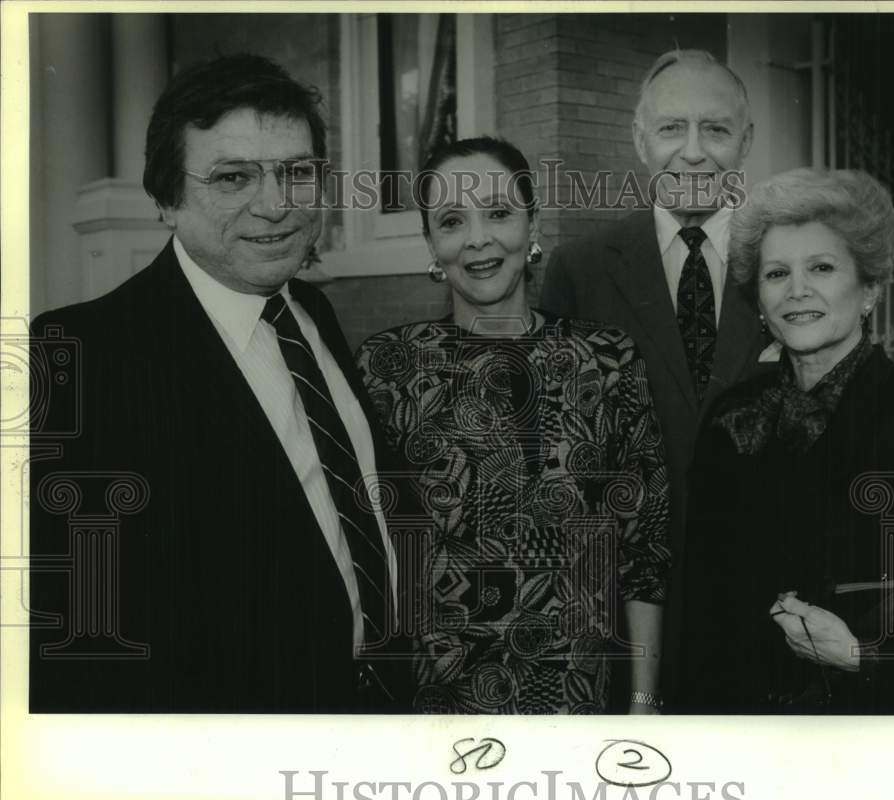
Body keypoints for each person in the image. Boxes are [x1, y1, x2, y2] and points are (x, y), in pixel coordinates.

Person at [30, 54, 404, 713]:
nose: (276, 205)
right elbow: (81, 640)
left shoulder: (310, 311)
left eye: (297, 173)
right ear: (169, 198)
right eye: (234, 177)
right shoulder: (82, 356)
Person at [355, 137, 671, 714]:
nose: (478, 239)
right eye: (452, 221)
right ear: (431, 244)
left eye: (498, 213)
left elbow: (643, 551)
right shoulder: (387, 370)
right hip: (434, 711)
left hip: (574, 704)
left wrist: (645, 701)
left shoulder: (604, 361)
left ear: (532, 226)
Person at [678, 168, 894, 713]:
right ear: (759, 301)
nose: (797, 291)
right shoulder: (732, 417)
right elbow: (700, 603)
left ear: (870, 289)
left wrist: (869, 655)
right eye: (776, 274)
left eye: (821, 267)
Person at [540, 49, 768, 707]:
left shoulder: (788, 265)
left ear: (745, 142)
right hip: (620, 617)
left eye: (716, 130)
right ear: (641, 140)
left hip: (758, 610)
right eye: (672, 129)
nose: (693, 152)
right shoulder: (579, 269)